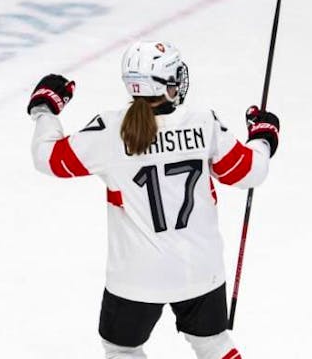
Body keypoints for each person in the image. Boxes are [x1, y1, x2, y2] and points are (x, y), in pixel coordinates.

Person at [27, 41, 280, 359]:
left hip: (136, 276)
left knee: (122, 349)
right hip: (199, 268)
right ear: (166, 84)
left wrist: (44, 110)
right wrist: (263, 137)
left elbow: (48, 158)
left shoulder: (109, 132)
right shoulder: (203, 123)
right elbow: (249, 172)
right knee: (213, 343)